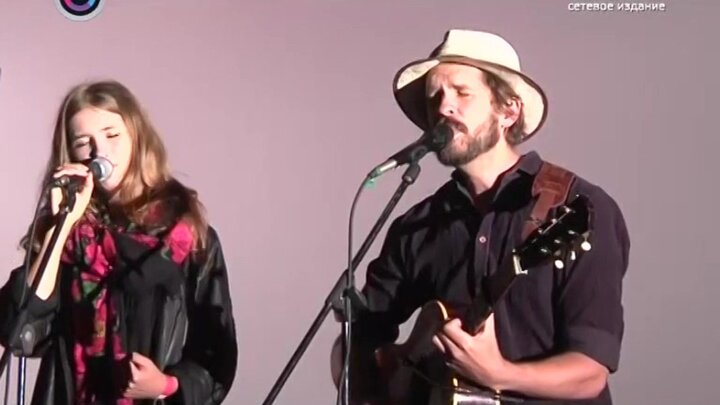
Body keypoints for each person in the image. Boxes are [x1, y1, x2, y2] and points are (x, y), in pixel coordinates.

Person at [331, 29, 630, 404]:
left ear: (509, 111)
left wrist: (499, 374)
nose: (443, 107)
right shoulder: (418, 226)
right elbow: (359, 337)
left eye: (462, 92)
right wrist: (376, 384)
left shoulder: (577, 208)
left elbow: (590, 373)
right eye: (435, 97)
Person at [0, 80, 237, 405]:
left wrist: (165, 385)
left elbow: (217, 355)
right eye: (83, 143)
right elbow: (17, 331)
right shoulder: (67, 235)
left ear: (137, 138)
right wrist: (60, 228)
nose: (99, 151)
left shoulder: (189, 238)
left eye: (112, 135)